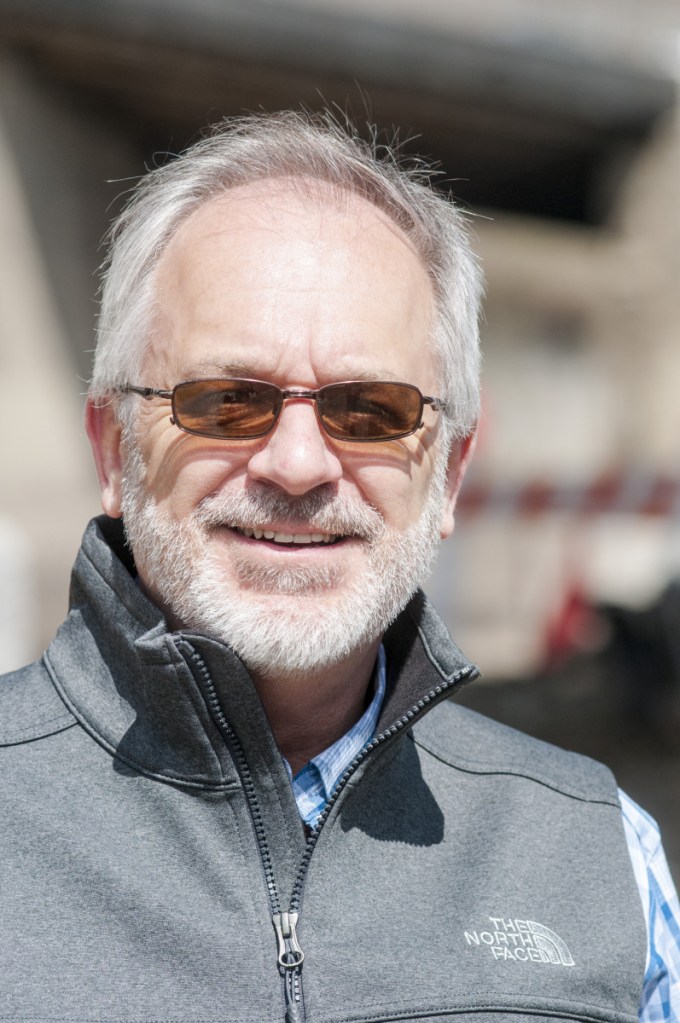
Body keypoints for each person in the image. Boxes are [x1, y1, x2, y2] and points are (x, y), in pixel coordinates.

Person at [1, 110, 678, 1023]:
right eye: (228, 400)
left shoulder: (600, 855)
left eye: (370, 412)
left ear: (448, 476)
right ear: (114, 451)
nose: (297, 463)